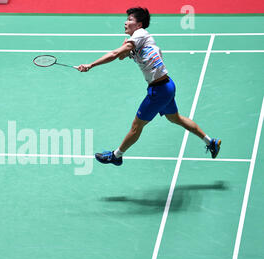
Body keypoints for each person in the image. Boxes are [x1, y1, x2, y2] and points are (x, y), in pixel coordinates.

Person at [77, 7, 221, 166]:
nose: (126, 22)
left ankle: (116, 156)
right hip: (167, 86)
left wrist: (91, 65)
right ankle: (210, 142)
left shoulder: (140, 34)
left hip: (159, 91)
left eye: (130, 20)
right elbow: (121, 56)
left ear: (139, 25)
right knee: (176, 118)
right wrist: (124, 48)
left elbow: (114, 54)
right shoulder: (134, 39)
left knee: (136, 126)